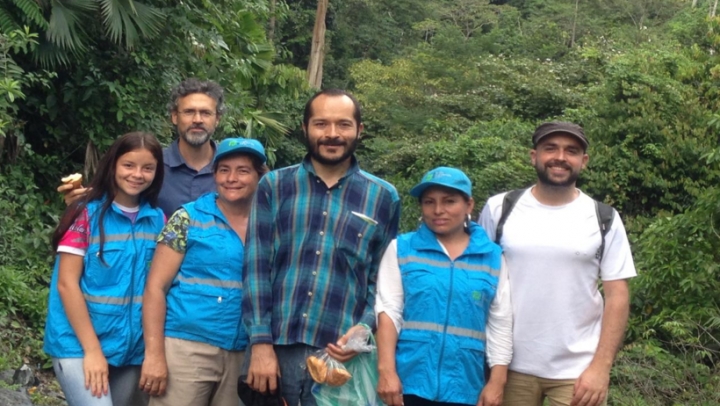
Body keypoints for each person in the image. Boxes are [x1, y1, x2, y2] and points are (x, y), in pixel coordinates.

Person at [242, 89, 401, 405]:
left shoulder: (383, 197)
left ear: (359, 130)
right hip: (276, 351)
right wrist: (260, 345)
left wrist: (362, 330)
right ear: (305, 128)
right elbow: (257, 267)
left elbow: (382, 280)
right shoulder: (274, 186)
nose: (332, 134)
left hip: (343, 357)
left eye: (343, 124)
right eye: (321, 124)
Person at [479, 122, 636, 406]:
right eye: (550, 148)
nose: (560, 157)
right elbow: (478, 279)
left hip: (579, 372)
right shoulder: (499, 208)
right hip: (507, 366)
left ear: (583, 161)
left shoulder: (604, 218)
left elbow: (617, 296)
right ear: (534, 156)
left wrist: (601, 368)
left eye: (571, 151)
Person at [138, 138, 268, 406]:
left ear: (260, 175)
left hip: (244, 354)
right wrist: (154, 355)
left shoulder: (271, 223)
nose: (232, 178)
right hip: (186, 349)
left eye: (243, 170)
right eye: (223, 170)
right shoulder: (188, 218)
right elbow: (155, 288)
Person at [43, 132, 166, 406]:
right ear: (113, 165)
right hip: (78, 344)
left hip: (131, 348)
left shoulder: (158, 220)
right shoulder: (85, 212)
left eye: (148, 168)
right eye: (129, 165)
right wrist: (92, 350)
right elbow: (66, 283)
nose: (137, 174)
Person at [375, 167, 512, 406]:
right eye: (429, 202)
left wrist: (496, 382)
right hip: (409, 382)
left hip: (465, 384)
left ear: (469, 205)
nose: (438, 210)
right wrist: (387, 372)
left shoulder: (492, 256)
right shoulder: (402, 249)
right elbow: (389, 312)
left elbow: (500, 322)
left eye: (449, 201)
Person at [58, 78, 223, 216]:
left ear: (217, 119)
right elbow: (112, 207)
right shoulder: (149, 166)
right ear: (174, 117)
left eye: (206, 113)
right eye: (188, 112)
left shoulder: (232, 170)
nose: (197, 119)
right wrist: (80, 202)